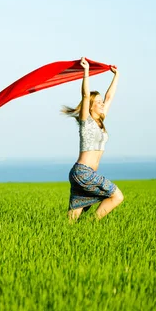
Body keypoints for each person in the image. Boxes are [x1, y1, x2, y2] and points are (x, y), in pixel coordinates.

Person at [61, 57, 124, 222]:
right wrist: (86, 72)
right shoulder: (86, 122)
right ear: (90, 106)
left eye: (101, 102)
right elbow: (85, 94)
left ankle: (67, 234)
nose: (102, 104)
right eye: (98, 102)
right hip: (83, 172)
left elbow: (109, 98)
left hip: (82, 173)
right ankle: (92, 225)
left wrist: (116, 76)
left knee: (72, 219)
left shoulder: (100, 121)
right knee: (117, 196)